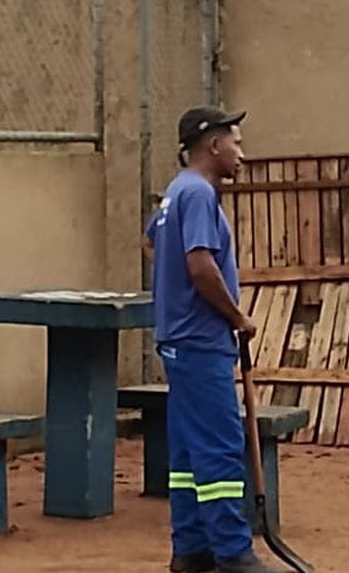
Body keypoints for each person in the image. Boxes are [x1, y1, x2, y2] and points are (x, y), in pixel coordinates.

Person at [145, 107, 277, 573]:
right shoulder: (199, 193)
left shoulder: (176, 192)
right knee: (220, 445)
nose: (242, 154)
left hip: (179, 340)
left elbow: (152, 242)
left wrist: (172, 290)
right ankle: (233, 551)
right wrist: (237, 317)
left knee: (187, 452)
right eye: (236, 143)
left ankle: (191, 548)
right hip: (201, 341)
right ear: (213, 145)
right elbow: (200, 265)